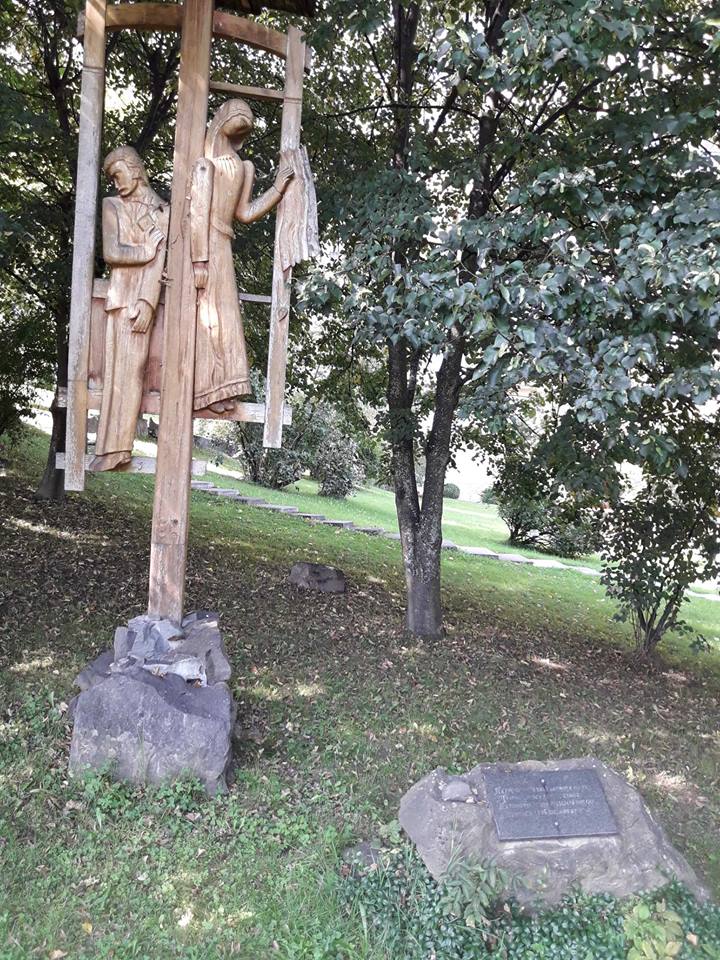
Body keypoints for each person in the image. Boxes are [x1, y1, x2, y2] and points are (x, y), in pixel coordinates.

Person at [190, 99, 294, 415]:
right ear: (221, 119)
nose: (244, 119)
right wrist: (199, 260)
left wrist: (277, 189)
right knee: (207, 317)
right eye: (238, 114)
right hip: (205, 247)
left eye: (248, 117)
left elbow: (245, 213)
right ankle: (204, 389)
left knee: (226, 317)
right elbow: (197, 214)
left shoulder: (243, 166)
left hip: (223, 244)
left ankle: (224, 388)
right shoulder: (204, 165)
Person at [89, 146, 168, 471]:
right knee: (115, 374)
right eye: (111, 178)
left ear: (135, 169)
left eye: (118, 175)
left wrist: (148, 302)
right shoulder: (112, 205)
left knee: (133, 372)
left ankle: (120, 448)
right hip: (119, 297)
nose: (116, 183)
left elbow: (160, 261)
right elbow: (111, 252)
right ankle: (107, 447)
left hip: (140, 302)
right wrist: (145, 251)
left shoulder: (163, 210)